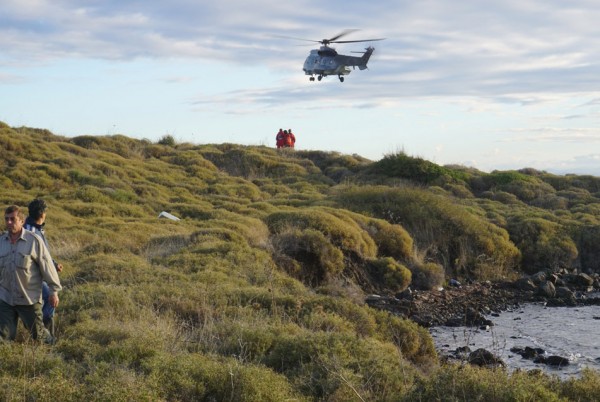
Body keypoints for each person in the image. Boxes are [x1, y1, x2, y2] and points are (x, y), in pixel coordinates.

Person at [0, 205, 61, 343]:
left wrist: (53, 291)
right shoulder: (1, 242)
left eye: (13, 219)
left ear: (22, 221)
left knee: (39, 336)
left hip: (28, 298)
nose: (9, 222)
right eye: (6, 219)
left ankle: (52, 349)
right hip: (6, 297)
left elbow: (47, 266)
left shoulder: (34, 241)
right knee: (3, 337)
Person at [24, 198, 63, 336]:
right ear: (42, 214)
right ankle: (42, 331)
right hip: (33, 276)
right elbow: (40, 257)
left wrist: (53, 263)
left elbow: (43, 254)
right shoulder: (33, 232)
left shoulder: (33, 228)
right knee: (51, 299)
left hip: (34, 274)